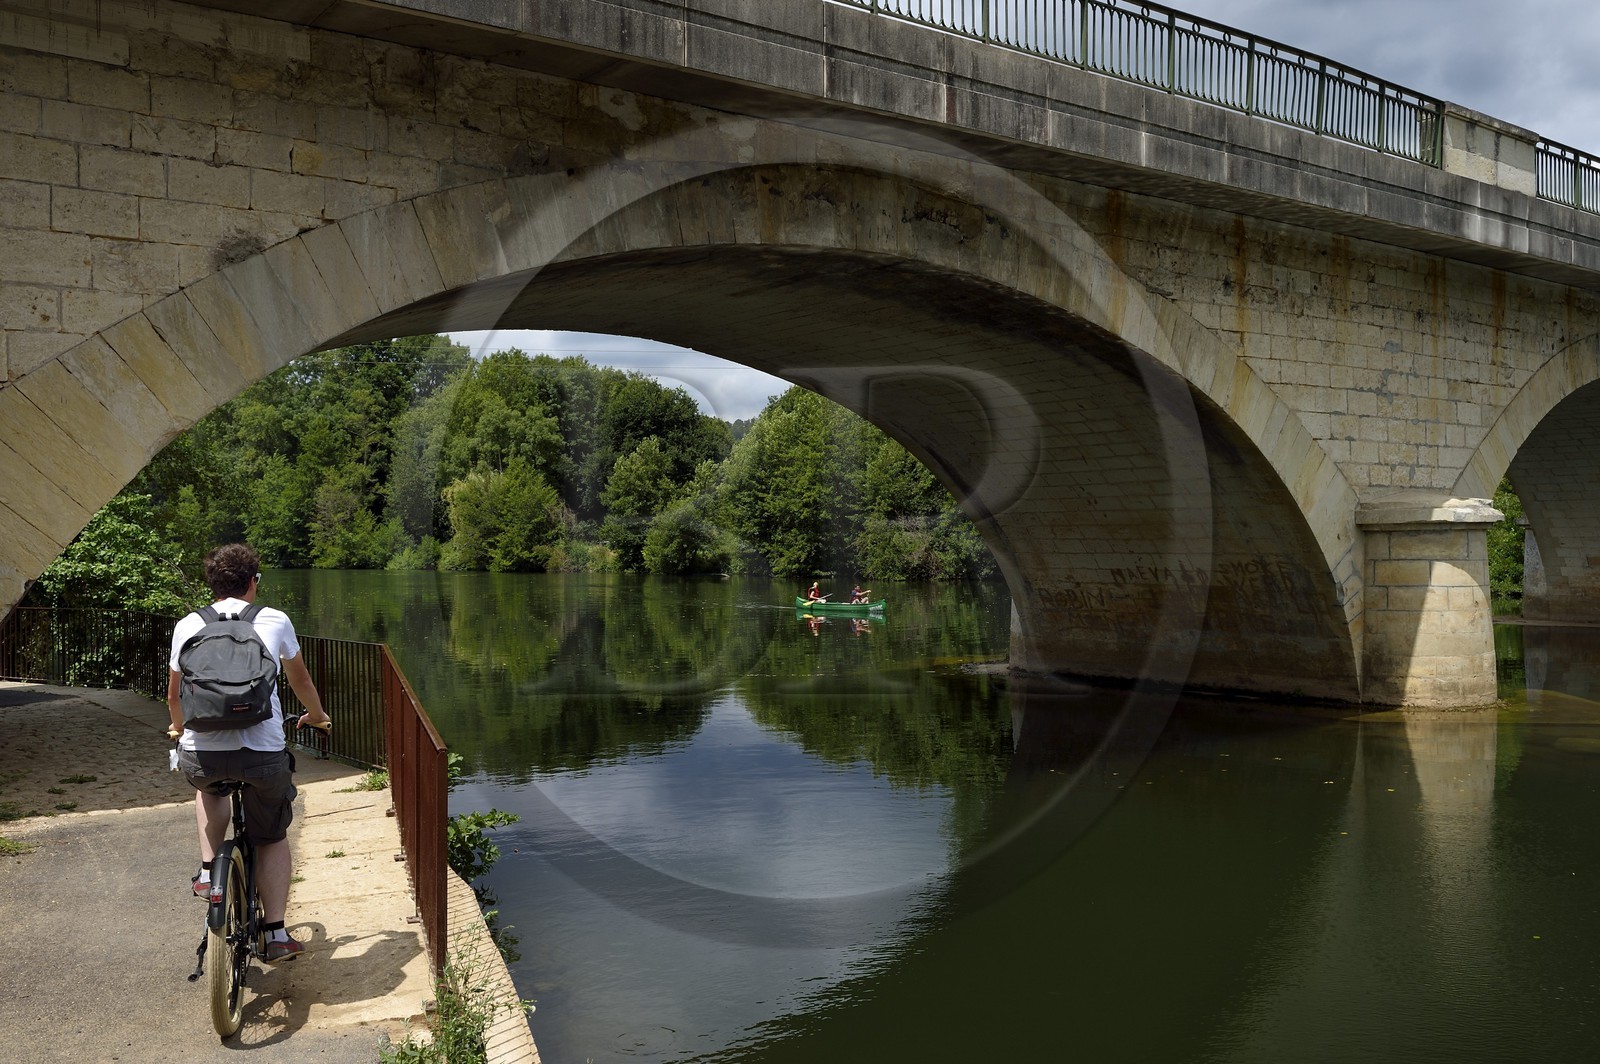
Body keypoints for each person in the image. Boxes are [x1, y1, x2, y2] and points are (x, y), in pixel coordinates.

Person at [166, 544, 331, 964]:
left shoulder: (188, 624)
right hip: (262, 754)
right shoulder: (274, 620)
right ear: (253, 581)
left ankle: (208, 871)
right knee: (272, 834)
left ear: (213, 585)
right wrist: (316, 715)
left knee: (209, 788)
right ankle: (275, 934)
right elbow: (300, 681)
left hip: (201, 753)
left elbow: (174, 696)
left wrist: (180, 729)